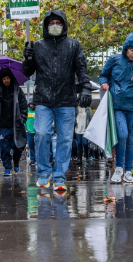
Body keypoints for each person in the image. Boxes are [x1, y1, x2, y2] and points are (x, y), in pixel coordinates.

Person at [23, 10, 93, 190]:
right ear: (46, 26)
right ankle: (44, 172)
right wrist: (28, 58)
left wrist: (85, 88)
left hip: (66, 100)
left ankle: (59, 176)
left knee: (65, 139)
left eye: (58, 22)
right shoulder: (37, 46)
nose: (55, 25)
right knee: (42, 134)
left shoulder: (73, 45)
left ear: (64, 25)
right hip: (43, 100)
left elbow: (82, 69)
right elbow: (27, 72)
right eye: (51, 22)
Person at [98, 32, 133, 183]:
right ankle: (118, 168)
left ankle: (128, 171)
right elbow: (103, 76)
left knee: (131, 139)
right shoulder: (114, 60)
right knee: (121, 134)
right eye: (131, 50)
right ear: (126, 48)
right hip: (117, 106)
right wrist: (104, 83)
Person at [0, 68, 28, 175]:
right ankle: (7, 168)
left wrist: (22, 119)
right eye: (4, 78)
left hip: (16, 125)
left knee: (18, 147)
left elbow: (23, 106)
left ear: (11, 78)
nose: (6, 80)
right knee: (4, 148)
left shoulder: (17, 90)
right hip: (2, 126)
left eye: (8, 78)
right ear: (1, 80)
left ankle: (16, 162)